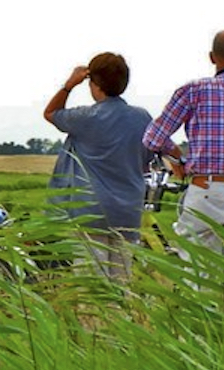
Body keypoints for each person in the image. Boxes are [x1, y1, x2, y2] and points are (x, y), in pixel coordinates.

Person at [42, 53, 153, 279]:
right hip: (128, 212)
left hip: (91, 211)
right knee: (122, 281)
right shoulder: (142, 117)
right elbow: (147, 157)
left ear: (95, 84)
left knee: (92, 284)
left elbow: (51, 113)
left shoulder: (86, 118)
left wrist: (69, 85)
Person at [143, 29, 224, 259]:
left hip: (207, 191)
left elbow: (153, 138)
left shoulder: (195, 90)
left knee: (197, 271)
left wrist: (176, 158)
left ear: (212, 57)